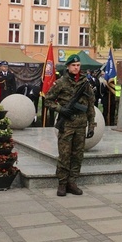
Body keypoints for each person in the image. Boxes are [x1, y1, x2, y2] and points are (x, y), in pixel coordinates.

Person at [44, 54, 96, 197]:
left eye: (78, 65)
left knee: (77, 155)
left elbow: (91, 106)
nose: (76, 67)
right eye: (73, 65)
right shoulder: (61, 82)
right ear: (68, 66)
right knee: (64, 155)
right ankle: (62, 183)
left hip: (80, 125)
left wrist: (91, 125)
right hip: (66, 125)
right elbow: (47, 100)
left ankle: (72, 182)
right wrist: (61, 109)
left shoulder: (85, 83)